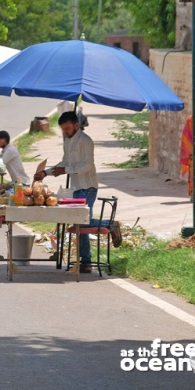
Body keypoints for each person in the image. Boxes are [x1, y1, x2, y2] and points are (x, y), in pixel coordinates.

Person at [34, 111, 121, 273]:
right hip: (76, 188)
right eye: (63, 129)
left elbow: (87, 165)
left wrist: (66, 170)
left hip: (88, 187)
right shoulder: (67, 141)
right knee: (79, 223)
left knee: (82, 221)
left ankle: (110, 224)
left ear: (76, 125)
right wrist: (46, 172)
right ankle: (86, 262)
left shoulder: (86, 141)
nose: (65, 132)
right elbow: (65, 162)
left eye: (67, 128)